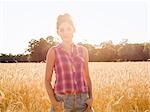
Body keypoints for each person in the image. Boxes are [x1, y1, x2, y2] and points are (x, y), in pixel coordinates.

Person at [45, 13, 93, 112]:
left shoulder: (83, 51)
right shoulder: (53, 51)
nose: (65, 32)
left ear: (73, 30)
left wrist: (91, 97)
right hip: (62, 102)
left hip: (82, 101)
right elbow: (47, 80)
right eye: (61, 30)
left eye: (68, 28)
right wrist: (54, 102)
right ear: (58, 32)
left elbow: (87, 77)